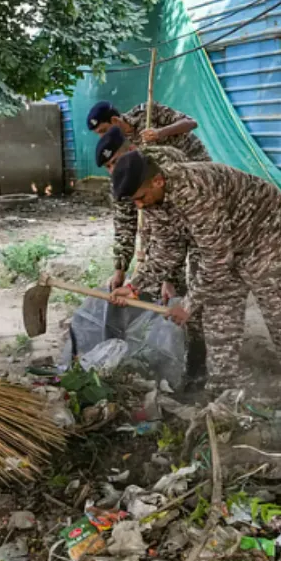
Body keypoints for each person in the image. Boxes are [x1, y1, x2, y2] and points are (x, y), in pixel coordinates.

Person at [107, 151, 281, 392]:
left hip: (265, 234)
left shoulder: (194, 191)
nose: (139, 205)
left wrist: (188, 304)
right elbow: (168, 249)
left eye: (140, 198)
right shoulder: (153, 199)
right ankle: (222, 391)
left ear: (158, 181)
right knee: (219, 322)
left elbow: (217, 260)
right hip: (220, 242)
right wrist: (134, 286)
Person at [95, 128, 207, 379]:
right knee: (164, 295)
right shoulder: (121, 180)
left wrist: (169, 276)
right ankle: (172, 353)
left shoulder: (164, 162)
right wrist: (120, 268)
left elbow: (177, 228)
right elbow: (125, 225)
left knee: (197, 291)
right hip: (163, 239)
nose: (113, 170)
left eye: (115, 161)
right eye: (108, 167)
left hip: (199, 227)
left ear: (132, 149)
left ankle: (198, 360)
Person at [86, 100, 212, 164]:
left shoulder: (146, 112)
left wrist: (160, 132)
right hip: (174, 176)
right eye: (98, 133)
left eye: (103, 130)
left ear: (115, 120)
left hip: (195, 159)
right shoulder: (118, 146)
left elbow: (191, 123)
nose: (102, 136)